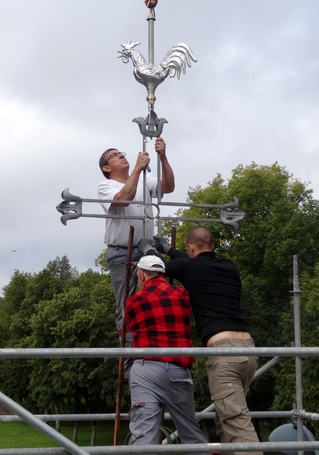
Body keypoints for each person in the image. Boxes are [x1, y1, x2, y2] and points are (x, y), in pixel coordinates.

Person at [139, 227, 262, 455]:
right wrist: (168, 248)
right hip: (248, 352)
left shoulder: (190, 267)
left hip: (224, 355)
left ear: (190, 247)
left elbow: (156, 266)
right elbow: (192, 262)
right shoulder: (229, 267)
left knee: (237, 424)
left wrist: (147, 249)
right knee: (225, 420)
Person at [97, 137, 174, 351]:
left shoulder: (143, 178)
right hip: (122, 254)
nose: (122, 155)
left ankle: (155, 347)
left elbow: (168, 187)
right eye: (115, 155)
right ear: (106, 167)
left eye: (121, 152)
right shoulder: (106, 185)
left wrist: (163, 157)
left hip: (147, 251)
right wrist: (138, 169)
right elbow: (123, 198)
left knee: (156, 300)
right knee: (126, 304)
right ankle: (130, 355)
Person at [125, 254, 207, 452]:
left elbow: (130, 327)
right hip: (178, 369)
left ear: (143, 275)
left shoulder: (134, 301)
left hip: (146, 369)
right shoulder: (183, 296)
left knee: (144, 434)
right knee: (190, 433)